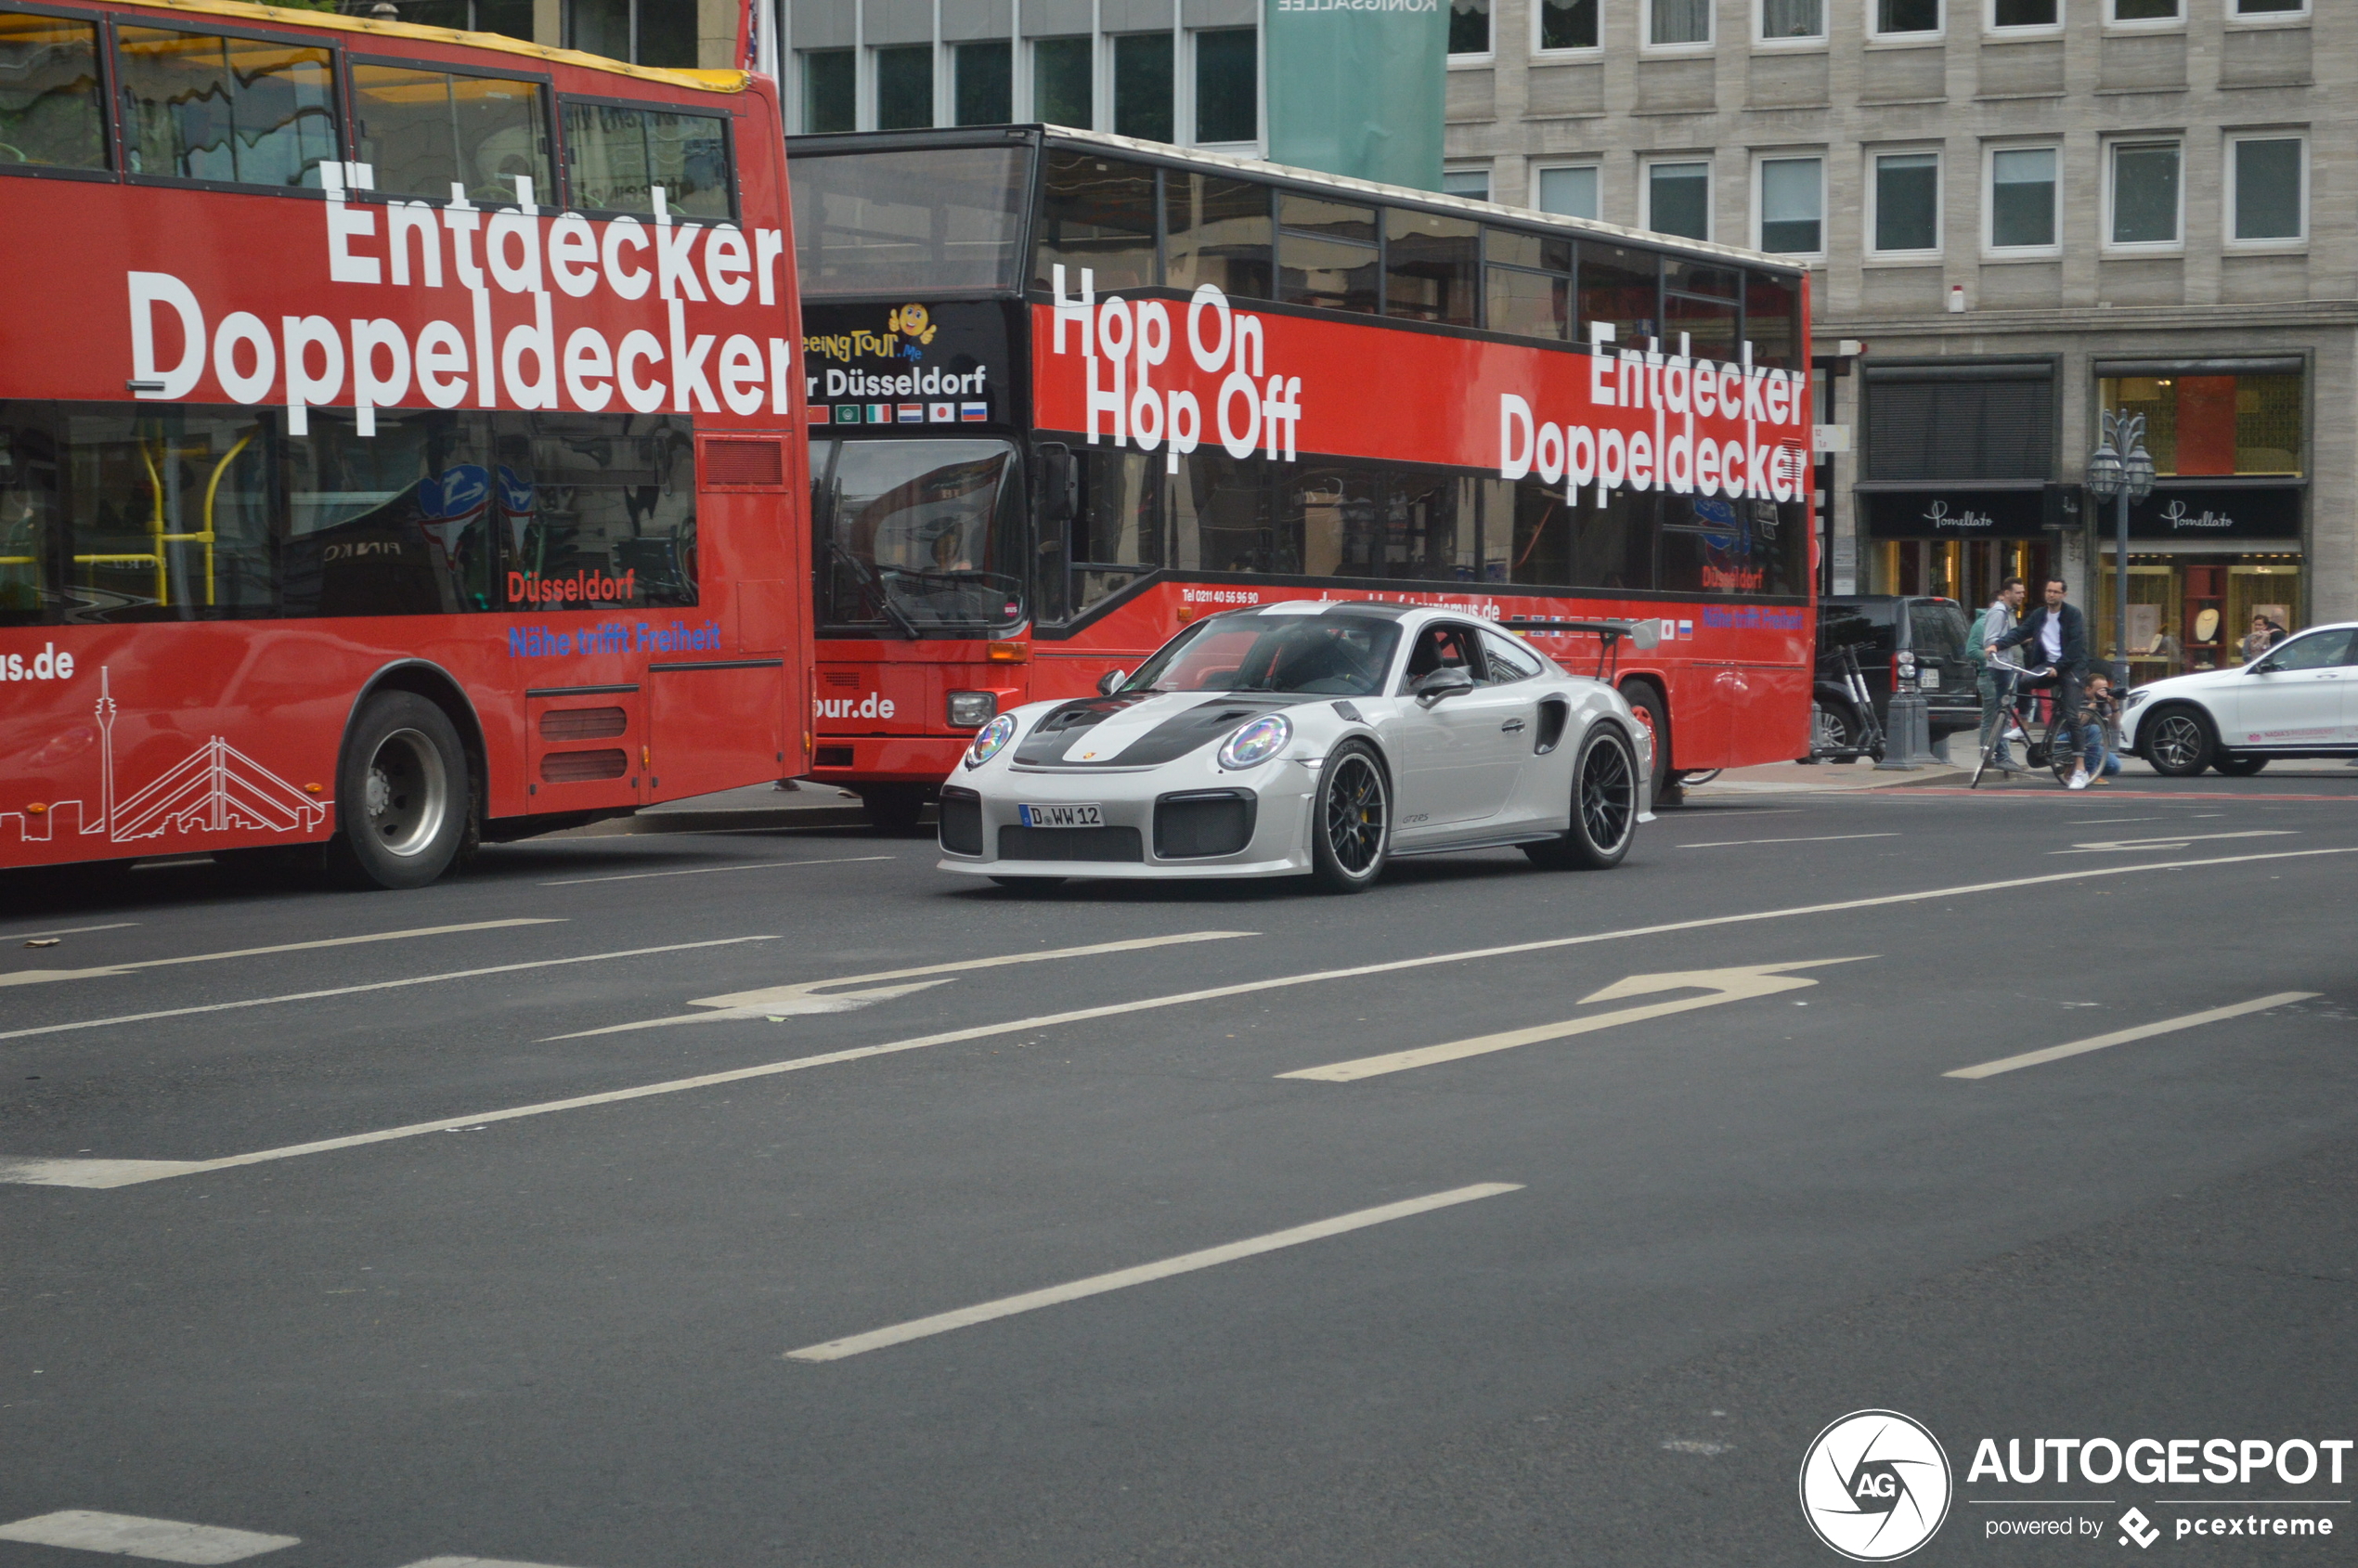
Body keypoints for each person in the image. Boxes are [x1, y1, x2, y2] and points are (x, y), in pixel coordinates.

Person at [1987, 577, 2091, 775]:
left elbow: (2075, 646)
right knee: (2024, 680)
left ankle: (2080, 768)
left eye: (2056, 592)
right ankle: (2023, 724)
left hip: (2071, 667)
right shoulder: (2039, 615)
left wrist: (2059, 668)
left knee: (2071, 715)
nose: (2051, 595)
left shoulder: (2072, 614)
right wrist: (1997, 645)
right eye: (2048, 591)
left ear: (2063, 595)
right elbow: (2020, 632)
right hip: (2048, 664)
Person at [1968, 577, 2028, 771]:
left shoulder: (2008, 613)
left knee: (2002, 714)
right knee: (1999, 715)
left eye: (2023, 592)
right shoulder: (1998, 613)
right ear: (2006, 594)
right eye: (2018, 592)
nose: (2022, 596)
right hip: (2000, 670)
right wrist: (1997, 653)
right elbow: (1989, 644)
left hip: (2008, 669)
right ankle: (1998, 755)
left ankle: (1996, 755)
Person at [2066, 670, 2125, 790]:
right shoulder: (2078, 698)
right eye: (2100, 690)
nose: (2104, 693)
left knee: (2115, 766)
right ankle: (2089, 772)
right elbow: (2077, 722)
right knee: (2095, 729)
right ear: (2088, 689)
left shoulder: (2102, 703)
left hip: (2089, 745)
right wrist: (2093, 704)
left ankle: (2072, 767)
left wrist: (2114, 707)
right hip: (2066, 740)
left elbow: (2116, 726)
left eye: (2106, 689)